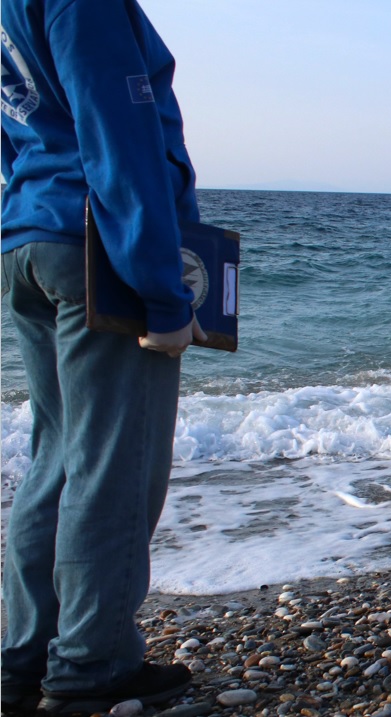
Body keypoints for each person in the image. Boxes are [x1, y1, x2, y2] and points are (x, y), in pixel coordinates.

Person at [1, 0, 206, 714]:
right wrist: (162, 291)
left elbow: (15, 132)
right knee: (115, 463)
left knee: (57, 454)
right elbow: (119, 128)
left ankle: (25, 656)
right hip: (96, 247)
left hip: (30, 231)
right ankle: (92, 663)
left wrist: (31, 207)